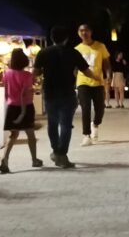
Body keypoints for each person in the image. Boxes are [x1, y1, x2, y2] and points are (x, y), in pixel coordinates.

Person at [35, 26, 99, 168]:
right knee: (65, 125)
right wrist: (97, 78)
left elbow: (36, 72)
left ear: (51, 38)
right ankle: (61, 154)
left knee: (52, 124)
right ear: (66, 38)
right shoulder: (73, 52)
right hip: (67, 93)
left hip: (50, 93)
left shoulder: (43, 52)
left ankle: (56, 151)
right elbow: (86, 71)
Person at [0, 48, 42, 174]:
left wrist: (9, 100)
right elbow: (26, 91)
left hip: (12, 106)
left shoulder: (6, 74)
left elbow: (6, 91)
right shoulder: (27, 75)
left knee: (13, 135)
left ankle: (5, 160)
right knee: (30, 135)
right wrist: (34, 91)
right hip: (26, 107)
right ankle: (34, 159)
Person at [75, 24, 111, 146]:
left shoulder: (100, 46)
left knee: (100, 108)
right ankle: (86, 135)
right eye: (81, 30)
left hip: (98, 82)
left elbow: (106, 63)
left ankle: (95, 123)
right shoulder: (77, 49)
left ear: (91, 32)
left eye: (86, 30)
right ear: (78, 33)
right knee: (85, 109)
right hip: (83, 82)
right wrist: (73, 81)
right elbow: (74, 68)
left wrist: (108, 76)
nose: (84, 32)